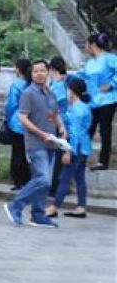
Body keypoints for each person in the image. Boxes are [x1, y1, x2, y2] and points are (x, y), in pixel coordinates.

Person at [5, 59, 67, 228]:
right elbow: (22, 117)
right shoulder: (28, 93)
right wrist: (41, 133)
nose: (39, 74)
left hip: (52, 143)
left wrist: (61, 128)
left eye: (42, 71)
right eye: (35, 71)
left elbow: (55, 115)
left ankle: (38, 214)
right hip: (35, 143)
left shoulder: (51, 93)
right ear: (31, 74)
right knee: (44, 179)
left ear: (48, 72)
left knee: (43, 181)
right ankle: (15, 205)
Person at [46, 78, 93, 219]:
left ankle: (54, 207)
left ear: (72, 91)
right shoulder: (83, 107)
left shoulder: (77, 110)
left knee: (64, 177)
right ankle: (81, 207)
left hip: (75, 149)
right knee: (79, 178)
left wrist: (68, 152)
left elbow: (75, 134)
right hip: (83, 148)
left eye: (67, 89)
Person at [80, 33, 116, 171]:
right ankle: (81, 158)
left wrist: (111, 84)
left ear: (92, 45)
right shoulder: (89, 62)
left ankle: (103, 161)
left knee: (105, 130)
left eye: (86, 44)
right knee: (88, 128)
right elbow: (83, 76)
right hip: (92, 100)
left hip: (108, 99)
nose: (85, 47)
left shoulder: (110, 58)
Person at [6, 59, 32, 189]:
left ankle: (17, 180)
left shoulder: (16, 84)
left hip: (17, 122)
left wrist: (8, 119)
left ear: (18, 69)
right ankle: (27, 179)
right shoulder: (32, 84)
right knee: (27, 153)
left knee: (17, 153)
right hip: (30, 123)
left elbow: (11, 105)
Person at [47, 56, 69, 195]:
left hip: (57, 123)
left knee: (56, 157)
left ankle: (55, 187)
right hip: (56, 122)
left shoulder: (58, 85)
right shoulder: (59, 84)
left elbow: (54, 108)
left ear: (52, 69)